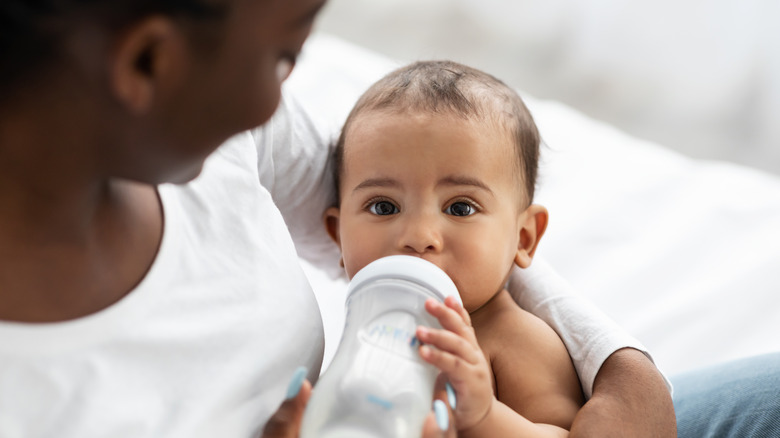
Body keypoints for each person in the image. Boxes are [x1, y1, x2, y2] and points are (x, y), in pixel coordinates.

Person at [0, 0, 681, 436]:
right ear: (149, 59)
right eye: (282, 57)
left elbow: (428, 240)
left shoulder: (226, 141)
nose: (277, 107)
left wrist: (623, 370)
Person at [322, 60, 584, 435]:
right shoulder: (364, 329)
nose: (419, 235)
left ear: (523, 238)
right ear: (337, 234)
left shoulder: (517, 340)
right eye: (384, 206)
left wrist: (485, 417)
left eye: (460, 207)